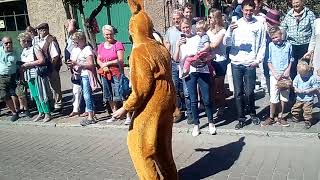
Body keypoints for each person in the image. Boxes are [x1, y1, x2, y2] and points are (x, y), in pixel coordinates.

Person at [113, 0, 178, 178]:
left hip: (152, 104)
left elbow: (142, 89)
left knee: (139, 146)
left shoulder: (140, 51)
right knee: (162, 146)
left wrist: (125, 108)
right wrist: (174, 103)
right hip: (166, 101)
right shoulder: (160, 48)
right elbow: (169, 77)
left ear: (133, 29)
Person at [223, 0, 266, 129]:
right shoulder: (236, 23)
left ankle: (252, 113)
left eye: (250, 10)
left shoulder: (259, 25)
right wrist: (229, 30)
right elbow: (226, 42)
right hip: (236, 62)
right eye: (246, 10)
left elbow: (262, 44)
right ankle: (241, 118)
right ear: (242, 10)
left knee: (250, 92)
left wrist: (257, 61)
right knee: (238, 93)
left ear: (254, 10)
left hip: (250, 63)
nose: (248, 12)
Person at [174, 18, 215, 136]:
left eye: (187, 27)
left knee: (206, 99)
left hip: (202, 70)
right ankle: (196, 125)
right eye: (183, 28)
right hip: (188, 72)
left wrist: (203, 59)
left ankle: (211, 122)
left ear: (191, 27)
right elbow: (176, 59)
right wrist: (177, 46)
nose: (186, 29)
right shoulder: (180, 41)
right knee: (193, 100)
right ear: (180, 29)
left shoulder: (199, 37)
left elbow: (209, 53)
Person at [261, 26, 293, 127]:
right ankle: (271, 117)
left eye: (277, 37)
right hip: (274, 75)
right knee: (274, 97)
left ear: (281, 35)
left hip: (285, 75)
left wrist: (288, 70)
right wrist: (274, 73)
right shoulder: (270, 45)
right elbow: (269, 61)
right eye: (273, 38)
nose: (275, 39)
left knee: (284, 97)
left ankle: (281, 116)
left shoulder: (288, 45)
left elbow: (291, 59)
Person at [97, 25, 127, 123]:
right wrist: (102, 65)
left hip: (116, 73)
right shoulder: (101, 46)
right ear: (103, 35)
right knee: (108, 94)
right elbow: (98, 59)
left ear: (113, 34)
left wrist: (108, 63)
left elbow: (121, 60)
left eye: (110, 34)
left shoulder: (118, 44)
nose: (109, 36)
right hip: (105, 73)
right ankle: (114, 114)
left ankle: (126, 115)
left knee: (121, 93)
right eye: (106, 34)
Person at [18, 33, 52, 122]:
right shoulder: (24, 50)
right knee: (35, 95)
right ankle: (41, 112)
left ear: (25, 41)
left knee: (41, 93)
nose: (20, 43)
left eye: (21, 41)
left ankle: (47, 113)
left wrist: (29, 64)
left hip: (37, 74)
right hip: (29, 75)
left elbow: (41, 60)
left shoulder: (35, 48)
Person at [163, 9, 190, 123]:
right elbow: (167, 46)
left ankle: (189, 111)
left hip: (185, 63)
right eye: (173, 19)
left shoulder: (187, 29)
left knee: (186, 89)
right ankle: (178, 111)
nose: (175, 21)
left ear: (181, 17)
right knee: (175, 88)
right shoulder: (169, 31)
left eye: (177, 18)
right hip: (174, 63)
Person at [68, 31, 98, 126]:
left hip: (86, 74)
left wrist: (79, 64)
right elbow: (74, 60)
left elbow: (91, 64)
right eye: (74, 42)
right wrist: (71, 64)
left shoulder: (87, 49)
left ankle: (90, 117)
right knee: (86, 94)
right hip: (79, 74)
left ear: (82, 40)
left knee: (87, 95)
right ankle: (92, 113)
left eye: (76, 41)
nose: (75, 44)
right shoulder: (75, 49)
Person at [280, 0, 316, 80]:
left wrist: (311, 49)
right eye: (294, 3)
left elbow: (314, 30)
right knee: (291, 68)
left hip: (305, 45)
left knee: (305, 68)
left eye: (297, 2)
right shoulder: (289, 14)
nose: (295, 4)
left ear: (302, 2)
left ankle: (305, 89)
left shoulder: (309, 14)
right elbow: (283, 28)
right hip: (292, 45)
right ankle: (292, 90)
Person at [35, 23, 63, 112]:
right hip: (46, 68)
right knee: (49, 87)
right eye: (39, 30)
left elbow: (55, 56)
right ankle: (52, 103)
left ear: (45, 30)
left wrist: (52, 67)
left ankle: (58, 104)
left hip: (51, 67)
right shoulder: (42, 40)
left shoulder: (51, 40)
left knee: (55, 86)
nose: (39, 32)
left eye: (40, 30)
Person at [207, 8, 228, 116]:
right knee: (211, 86)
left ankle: (221, 106)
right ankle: (213, 105)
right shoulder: (208, 31)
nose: (209, 19)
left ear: (216, 18)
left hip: (220, 62)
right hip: (210, 61)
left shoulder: (223, 31)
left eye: (210, 17)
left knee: (219, 86)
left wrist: (205, 46)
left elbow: (214, 44)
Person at [291, 61, 318, 129]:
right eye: (301, 74)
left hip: (308, 98)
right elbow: (294, 84)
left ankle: (308, 121)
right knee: (296, 108)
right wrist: (296, 89)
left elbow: (316, 86)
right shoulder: (298, 77)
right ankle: (295, 117)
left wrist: (309, 90)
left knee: (307, 111)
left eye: (304, 74)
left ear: (308, 71)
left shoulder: (312, 78)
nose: (303, 76)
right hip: (299, 98)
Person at [0, 36, 20, 122]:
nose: (9, 44)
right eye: (6, 43)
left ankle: (18, 110)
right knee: (4, 95)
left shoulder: (15, 51)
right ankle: (14, 112)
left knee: (14, 93)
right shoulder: (0, 51)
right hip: (2, 76)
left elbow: (20, 62)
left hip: (13, 75)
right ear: (3, 44)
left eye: (10, 42)